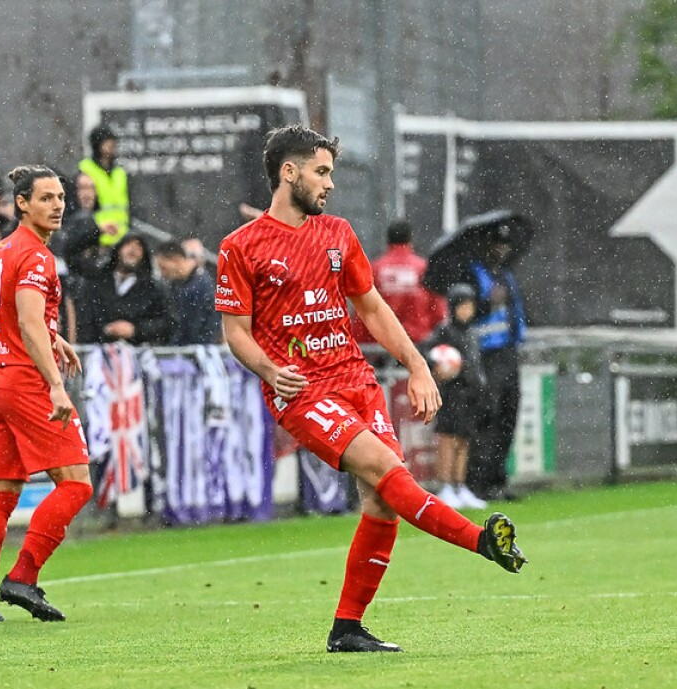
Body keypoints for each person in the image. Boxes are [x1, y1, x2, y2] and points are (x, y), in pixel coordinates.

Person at [216, 125, 526, 654]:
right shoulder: (240, 248)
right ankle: (478, 541)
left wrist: (418, 366)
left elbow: (373, 308)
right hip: (302, 391)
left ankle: (347, 629)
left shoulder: (337, 233)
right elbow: (236, 333)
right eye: (321, 171)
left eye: (330, 173)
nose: (329, 183)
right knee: (389, 472)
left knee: (382, 504)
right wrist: (270, 371)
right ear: (288, 173)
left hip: (356, 379)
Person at [0, 165, 91, 623]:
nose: (57, 205)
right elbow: (29, 319)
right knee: (76, 483)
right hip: (26, 383)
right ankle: (22, 577)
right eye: (45, 198)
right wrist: (55, 384)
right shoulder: (36, 257)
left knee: (1, 492)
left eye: (60, 197)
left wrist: (50, 337)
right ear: (22, 203)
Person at [462, 222, 527, 500]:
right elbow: (465, 314)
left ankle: (498, 477)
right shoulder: (473, 274)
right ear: (487, 246)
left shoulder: (505, 275)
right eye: (497, 244)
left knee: (508, 416)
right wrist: (489, 303)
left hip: (509, 353)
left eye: (505, 245)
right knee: (487, 417)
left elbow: (516, 311)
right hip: (487, 355)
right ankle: (479, 481)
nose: (502, 250)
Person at [422, 283, 488, 509]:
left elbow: (474, 364)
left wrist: (480, 385)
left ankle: (460, 485)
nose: (466, 311)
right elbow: (425, 351)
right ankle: (445, 486)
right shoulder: (444, 331)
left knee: (463, 441)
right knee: (447, 440)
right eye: (462, 306)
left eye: (470, 306)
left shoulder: (471, 332)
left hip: (470, 395)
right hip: (451, 395)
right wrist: (435, 366)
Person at [353, 219, 445, 346]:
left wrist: (362, 344)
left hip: (382, 346)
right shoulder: (423, 268)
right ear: (410, 240)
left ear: (388, 241)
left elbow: (362, 311)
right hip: (418, 344)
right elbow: (438, 310)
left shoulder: (375, 269)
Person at [75, 234, 174, 346]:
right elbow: (85, 318)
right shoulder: (97, 282)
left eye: (138, 247)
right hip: (97, 351)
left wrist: (136, 330)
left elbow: (166, 323)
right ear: (118, 249)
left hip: (139, 353)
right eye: (128, 245)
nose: (133, 250)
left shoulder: (154, 289)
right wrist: (106, 329)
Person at [154, 240, 219, 346]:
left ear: (176, 260)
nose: (162, 274)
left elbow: (194, 330)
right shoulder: (182, 284)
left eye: (163, 268)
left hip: (195, 351)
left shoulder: (200, 286)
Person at [77, 124, 130, 247]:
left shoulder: (119, 172)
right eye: (107, 141)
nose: (111, 145)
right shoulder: (86, 170)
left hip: (121, 238)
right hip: (96, 238)